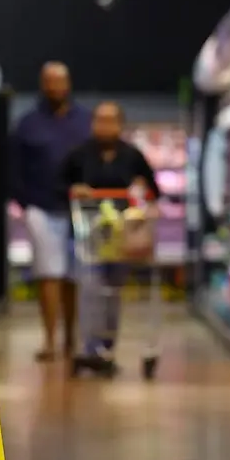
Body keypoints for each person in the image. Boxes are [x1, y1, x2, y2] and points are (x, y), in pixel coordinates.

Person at [59, 100, 160, 369]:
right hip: (87, 236)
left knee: (112, 292)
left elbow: (153, 189)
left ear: (120, 124)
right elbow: (59, 185)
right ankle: (89, 347)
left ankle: (106, 346)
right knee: (90, 289)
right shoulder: (79, 155)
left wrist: (142, 188)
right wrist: (75, 190)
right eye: (100, 120)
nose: (105, 127)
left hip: (123, 238)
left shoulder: (133, 156)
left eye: (110, 121)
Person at [11, 62, 91, 362]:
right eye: (49, 81)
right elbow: (13, 165)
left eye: (60, 81)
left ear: (68, 84)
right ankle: (49, 339)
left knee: (74, 276)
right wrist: (24, 201)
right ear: (42, 84)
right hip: (41, 207)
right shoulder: (27, 123)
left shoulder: (84, 121)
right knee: (48, 274)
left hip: (79, 210)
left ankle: (72, 337)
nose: (55, 87)